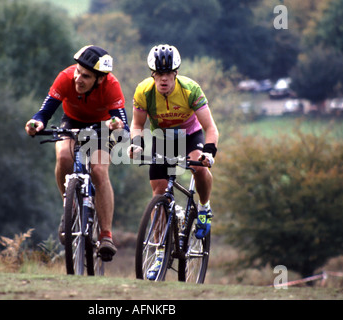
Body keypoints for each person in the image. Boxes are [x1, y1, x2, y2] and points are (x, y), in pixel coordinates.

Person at [25, 45, 129, 262]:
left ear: (99, 79)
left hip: (100, 128)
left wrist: (118, 127)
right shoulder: (65, 77)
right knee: (63, 157)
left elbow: (123, 125)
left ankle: (106, 235)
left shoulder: (111, 86)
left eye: (86, 76)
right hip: (71, 123)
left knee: (99, 170)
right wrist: (35, 123)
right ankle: (69, 208)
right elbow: (44, 112)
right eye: (78, 72)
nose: (78, 79)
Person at [128, 44, 219, 279]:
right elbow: (137, 125)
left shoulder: (190, 89)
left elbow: (210, 127)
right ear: (153, 75)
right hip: (165, 137)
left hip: (190, 135)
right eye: (159, 74)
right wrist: (136, 143)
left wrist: (209, 153)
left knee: (198, 167)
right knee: (159, 192)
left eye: (168, 74)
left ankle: (204, 207)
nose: (164, 79)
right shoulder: (143, 92)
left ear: (175, 74)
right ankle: (160, 251)